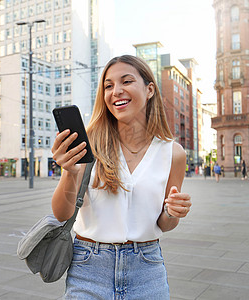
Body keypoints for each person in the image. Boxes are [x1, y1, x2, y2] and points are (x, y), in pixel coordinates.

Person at [51, 55, 191, 299]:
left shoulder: (173, 153)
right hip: (89, 267)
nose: (116, 91)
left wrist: (172, 211)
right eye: (108, 85)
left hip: (147, 270)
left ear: (149, 90)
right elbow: (62, 214)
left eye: (126, 82)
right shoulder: (89, 144)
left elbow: (164, 224)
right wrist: (69, 173)